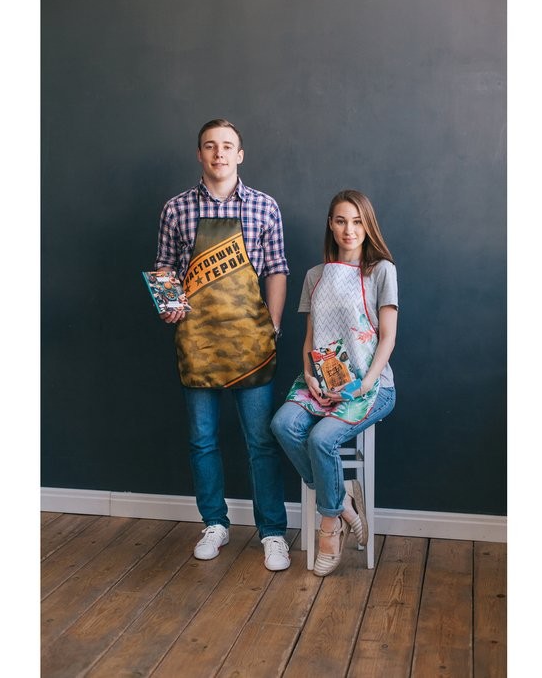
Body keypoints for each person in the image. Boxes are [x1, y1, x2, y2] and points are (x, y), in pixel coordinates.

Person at [153, 119, 291, 571]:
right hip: (197, 342)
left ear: (240, 154)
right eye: (210, 146)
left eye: (227, 146)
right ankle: (214, 523)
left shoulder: (264, 207)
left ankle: (272, 532)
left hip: (251, 341)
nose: (219, 154)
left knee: (261, 442)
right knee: (202, 441)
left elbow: (277, 268)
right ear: (200, 154)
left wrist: (272, 325)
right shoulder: (176, 209)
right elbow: (165, 267)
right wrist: (169, 305)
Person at [271, 189, 398, 576]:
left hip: (371, 386)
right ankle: (343, 502)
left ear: (368, 225)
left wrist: (364, 384)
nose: (349, 229)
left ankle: (330, 527)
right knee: (282, 424)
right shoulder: (315, 276)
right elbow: (310, 338)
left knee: (321, 439)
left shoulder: (381, 271)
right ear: (331, 224)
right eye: (341, 221)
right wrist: (309, 374)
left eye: (357, 221)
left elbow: (388, 337)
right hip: (321, 380)